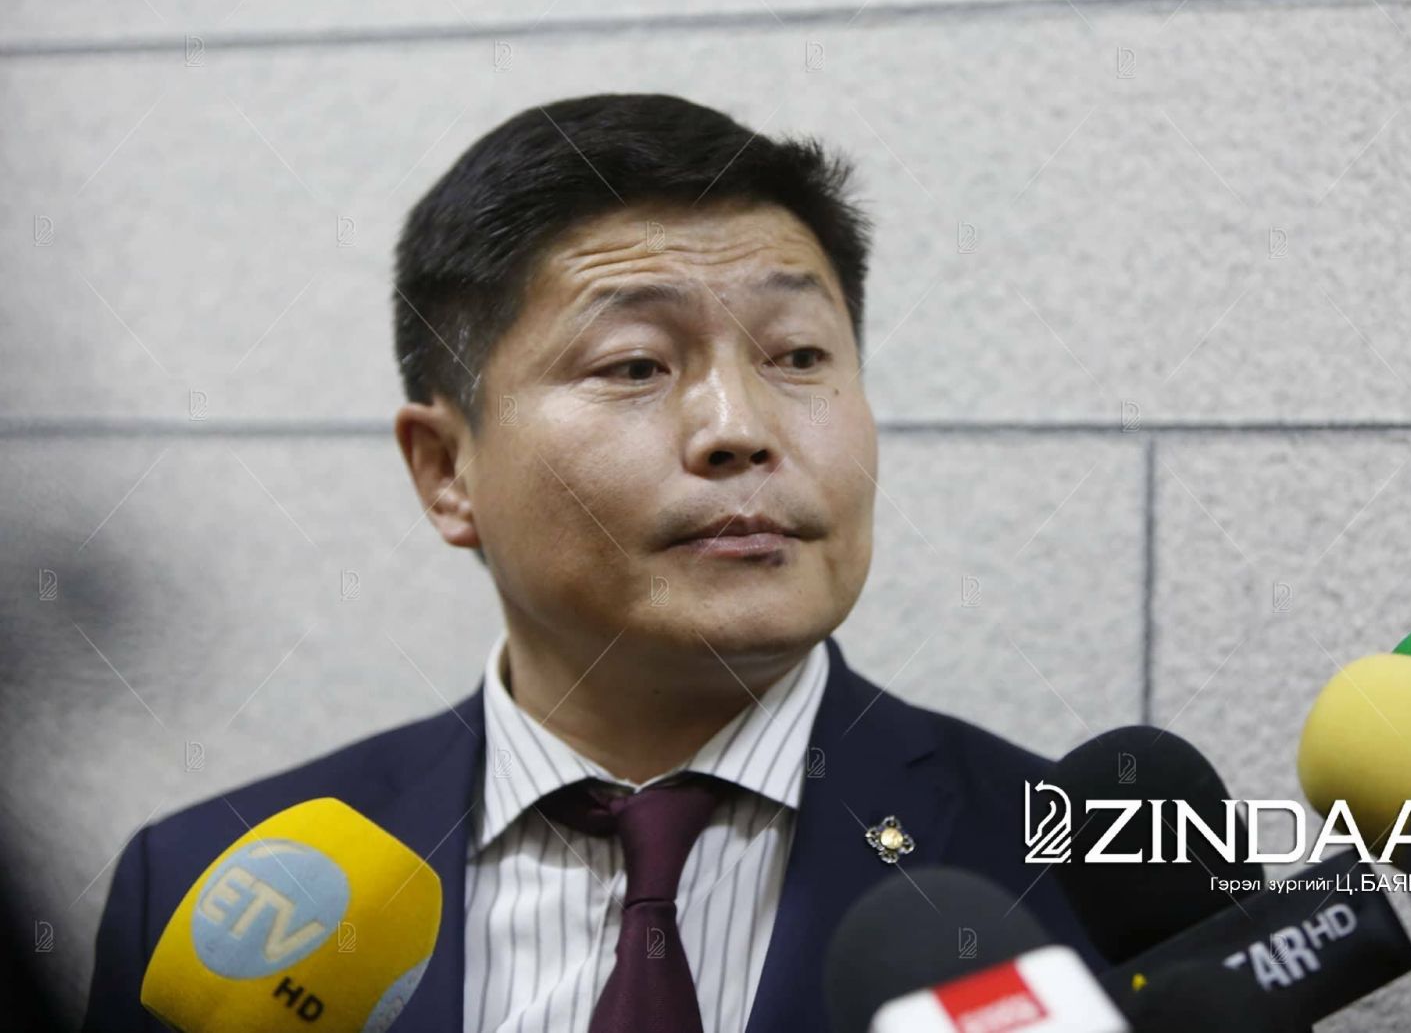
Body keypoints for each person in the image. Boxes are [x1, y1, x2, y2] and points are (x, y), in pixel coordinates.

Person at [82, 93, 1102, 1033]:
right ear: (446, 470)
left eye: (797, 355)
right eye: (635, 365)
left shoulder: (1093, 867)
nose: (739, 429)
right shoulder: (211, 896)